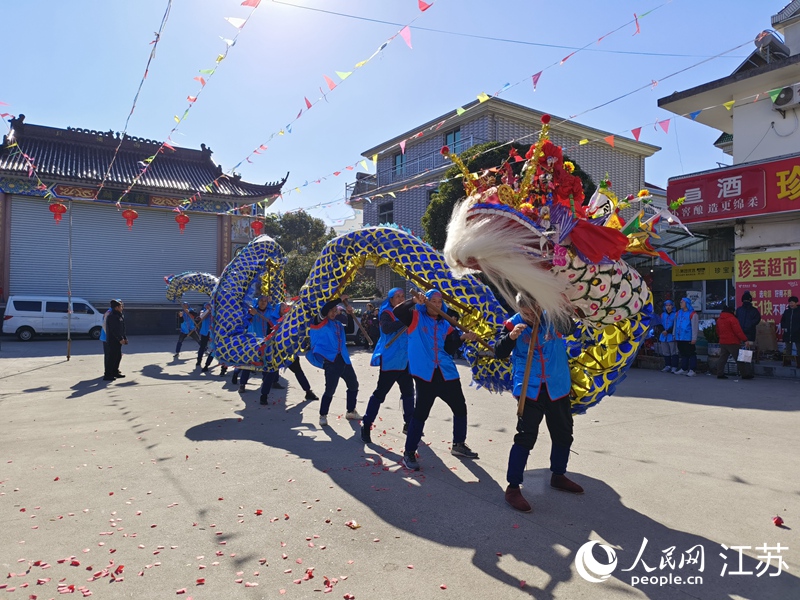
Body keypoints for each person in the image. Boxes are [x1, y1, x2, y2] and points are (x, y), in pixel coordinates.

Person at [493, 296, 582, 512]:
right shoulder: (512, 323)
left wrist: (559, 310)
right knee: (525, 437)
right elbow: (499, 351)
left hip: (556, 384)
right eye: (525, 312)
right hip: (530, 388)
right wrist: (512, 337)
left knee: (563, 433)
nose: (529, 315)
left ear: (538, 305)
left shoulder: (551, 317)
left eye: (533, 311)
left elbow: (569, 329)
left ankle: (558, 475)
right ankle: (513, 488)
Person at [393, 289, 479, 471]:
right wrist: (414, 301)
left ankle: (458, 444)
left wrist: (463, 337)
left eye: (439, 302)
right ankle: (409, 452)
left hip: (447, 372)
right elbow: (398, 312)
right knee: (420, 414)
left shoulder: (446, 324)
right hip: (426, 375)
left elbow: (449, 347)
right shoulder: (416, 317)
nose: (437, 304)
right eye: (433, 301)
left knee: (460, 407)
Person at [360, 288, 415, 443]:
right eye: (397, 296)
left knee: (409, 393)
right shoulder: (386, 312)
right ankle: (366, 424)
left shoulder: (408, 313)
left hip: (405, 360)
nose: (400, 298)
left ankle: (409, 423)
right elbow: (386, 328)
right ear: (390, 299)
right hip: (390, 360)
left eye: (403, 296)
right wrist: (404, 321)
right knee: (380, 394)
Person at [308, 295, 361, 425]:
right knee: (330, 390)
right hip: (330, 361)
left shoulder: (337, 324)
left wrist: (349, 314)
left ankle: (350, 411)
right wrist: (339, 299)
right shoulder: (318, 322)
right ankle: (323, 415)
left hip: (343, 360)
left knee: (353, 385)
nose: (332, 313)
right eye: (331, 310)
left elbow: (348, 329)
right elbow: (324, 310)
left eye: (334, 310)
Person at [237, 295, 282, 405]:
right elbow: (245, 323)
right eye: (261, 300)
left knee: (270, 362)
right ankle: (242, 384)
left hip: (267, 341)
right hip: (253, 340)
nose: (263, 302)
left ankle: (273, 381)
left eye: (265, 301)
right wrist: (250, 315)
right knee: (248, 363)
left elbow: (275, 322)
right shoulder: (252, 311)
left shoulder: (270, 312)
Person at [715, 305, 750, 379]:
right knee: (739, 359)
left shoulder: (719, 319)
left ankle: (719, 373)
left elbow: (718, 331)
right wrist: (745, 339)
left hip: (723, 342)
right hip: (733, 342)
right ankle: (745, 374)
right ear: (731, 311)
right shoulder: (732, 319)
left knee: (722, 358)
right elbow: (738, 332)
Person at [673, 297, 699, 377]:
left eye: (682, 302)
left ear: (686, 303)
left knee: (691, 353)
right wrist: (674, 334)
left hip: (688, 337)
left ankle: (692, 369)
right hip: (680, 337)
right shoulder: (678, 313)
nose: (680, 304)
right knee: (683, 353)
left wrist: (694, 338)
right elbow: (675, 324)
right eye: (680, 302)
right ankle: (684, 368)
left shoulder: (692, 314)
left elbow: (694, 327)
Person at [103, 299, 128, 381]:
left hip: (119, 339)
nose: (122, 307)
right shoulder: (112, 316)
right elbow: (114, 330)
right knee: (112, 357)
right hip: (113, 340)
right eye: (121, 306)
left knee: (118, 356)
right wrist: (120, 338)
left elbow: (122, 328)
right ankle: (108, 374)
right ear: (116, 307)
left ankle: (115, 371)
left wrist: (124, 337)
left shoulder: (119, 315)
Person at [658, 300, 679, 373]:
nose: (668, 307)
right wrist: (663, 330)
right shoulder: (662, 315)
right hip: (663, 335)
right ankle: (667, 365)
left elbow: (675, 325)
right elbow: (659, 323)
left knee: (673, 352)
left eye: (670, 305)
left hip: (671, 335)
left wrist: (668, 331)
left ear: (672, 306)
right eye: (667, 305)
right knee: (665, 352)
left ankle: (674, 366)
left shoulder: (675, 314)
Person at [780, 296, 799, 367]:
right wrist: (784, 327)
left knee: (799, 348)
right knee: (788, 348)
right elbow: (783, 321)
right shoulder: (787, 311)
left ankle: (799, 363)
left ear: (797, 303)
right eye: (790, 303)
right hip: (788, 333)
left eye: (792, 303)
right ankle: (787, 361)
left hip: (797, 333)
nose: (791, 304)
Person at [99, 300, 115, 379]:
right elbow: (104, 325)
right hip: (107, 338)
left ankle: (113, 370)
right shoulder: (109, 313)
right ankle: (108, 372)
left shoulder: (114, 312)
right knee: (109, 355)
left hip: (112, 338)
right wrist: (109, 336)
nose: (122, 307)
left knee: (114, 355)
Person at [196, 302, 213, 369]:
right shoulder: (203, 311)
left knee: (213, 348)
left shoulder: (213, 312)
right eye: (207, 306)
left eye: (209, 306)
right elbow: (202, 317)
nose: (208, 306)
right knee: (202, 347)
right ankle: (199, 360)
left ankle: (207, 364)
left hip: (212, 332)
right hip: (205, 332)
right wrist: (208, 310)